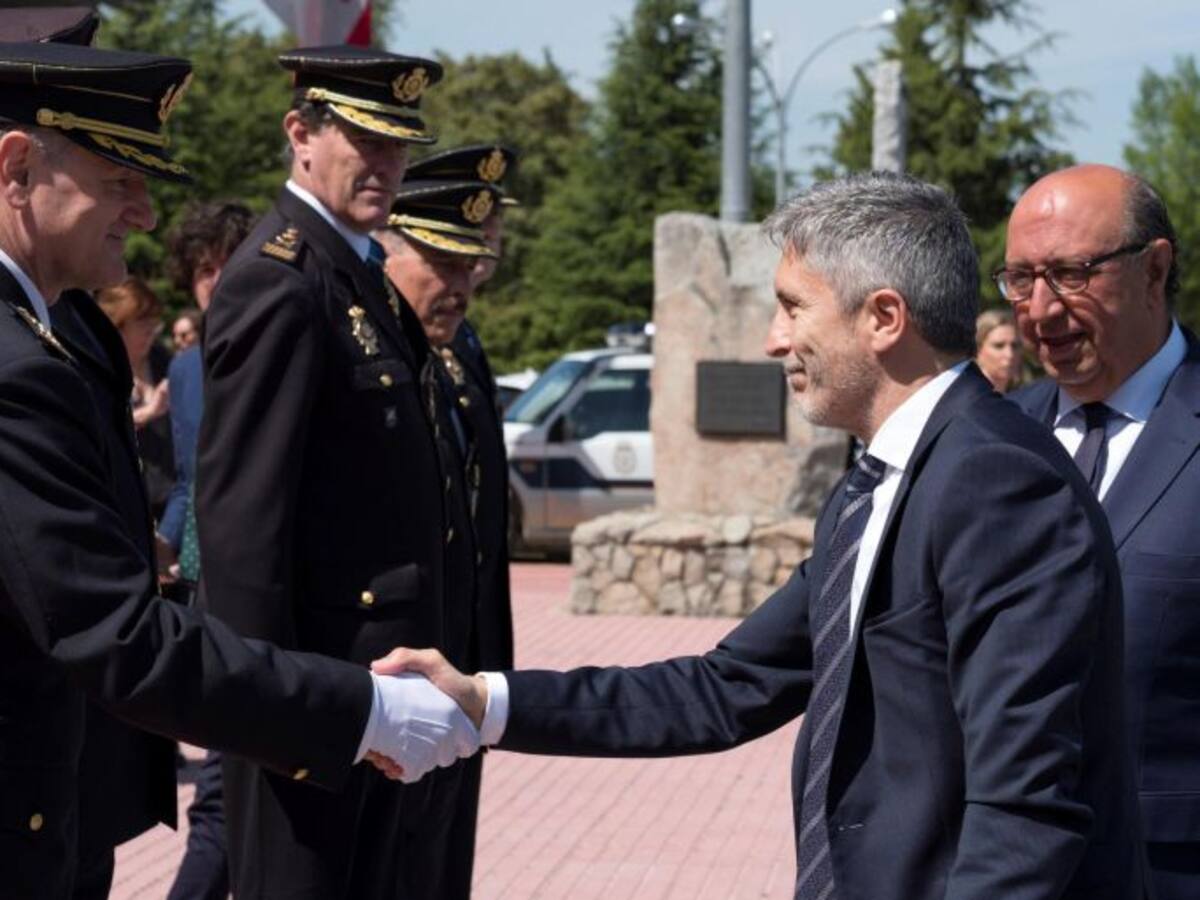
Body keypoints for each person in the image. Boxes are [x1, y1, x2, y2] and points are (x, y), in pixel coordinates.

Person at [378, 172, 1146, 899]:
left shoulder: (997, 484)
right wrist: (484, 701)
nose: (775, 340)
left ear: (883, 318)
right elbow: (726, 688)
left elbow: (1025, 810)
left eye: (793, 307)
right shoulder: (882, 477)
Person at [0, 40, 473, 900]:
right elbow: (178, 578)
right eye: (119, 180)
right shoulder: (18, 358)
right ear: (17, 168)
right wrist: (329, 717)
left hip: (72, 788)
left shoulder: (64, 333)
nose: (144, 214)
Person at [195, 46, 482, 899]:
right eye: (364, 140)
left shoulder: (357, 277)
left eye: (397, 146)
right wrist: (280, 724)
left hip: (377, 702)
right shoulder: (279, 282)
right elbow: (244, 527)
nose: (385, 164)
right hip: (316, 713)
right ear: (301, 134)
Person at [1002, 163, 1199, 900]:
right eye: (1020, 280)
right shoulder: (992, 439)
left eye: (1071, 274)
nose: (1041, 310)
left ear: (1154, 270)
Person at [376, 169, 516, 891]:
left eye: (475, 257)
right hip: (384, 678)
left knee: (438, 864)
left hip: (456, 662)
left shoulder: (462, 351)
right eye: (446, 260)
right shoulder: (366, 353)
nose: (466, 279)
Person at [157, 200, 256, 900]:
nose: (214, 284)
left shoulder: (278, 342)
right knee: (225, 775)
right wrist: (163, 540)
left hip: (263, 592)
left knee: (230, 779)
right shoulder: (186, 370)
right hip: (201, 588)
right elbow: (192, 476)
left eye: (226, 266)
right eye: (202, 271)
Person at [94, 277, 175, 520]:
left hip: (172, 494)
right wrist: (149, 412)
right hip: (128, 502)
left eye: (154, 319)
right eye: (142, 321)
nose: (152, 329)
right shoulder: (100, 370)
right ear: (117, 324)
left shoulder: (163, 359)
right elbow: (102, 428)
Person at [974, 307, 1022, 392]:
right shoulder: (965, 397)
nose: (1010, 354)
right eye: (999, 346)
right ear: (978, 350)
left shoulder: (1022, 399)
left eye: (1015, 346)